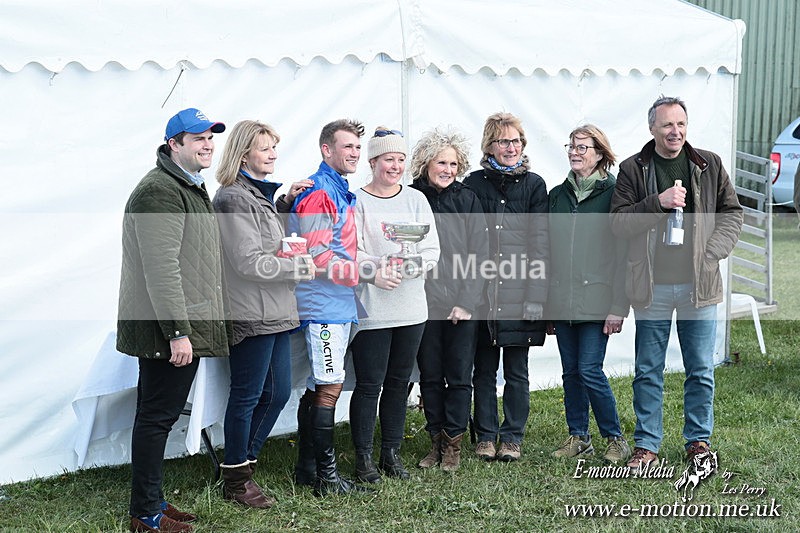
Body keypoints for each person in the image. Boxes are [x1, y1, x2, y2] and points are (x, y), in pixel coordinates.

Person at [610, 96, 743, 468]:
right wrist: (659, 202)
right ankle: (647, 445)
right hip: (650, 288)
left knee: (700, 368)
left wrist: (712, 252)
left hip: (697, 287)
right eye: (667, 124)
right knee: (647, 370)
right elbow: (618, 223)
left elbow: (732, 212)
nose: (675, 131)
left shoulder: (708, 164)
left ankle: (698, 441)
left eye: (681, 124)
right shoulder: (633, 169)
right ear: (652, 127)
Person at [117, 108, 229, 533]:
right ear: (173, 144)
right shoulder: (159, 191)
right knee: (156, 418)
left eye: (210, 137)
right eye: (197, 137)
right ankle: (145, 514)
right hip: (169, 330)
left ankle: (153, 503)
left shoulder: (188, 186)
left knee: (157, 416)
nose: (207, 144)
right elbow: (162, 269)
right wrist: (178, 333)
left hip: (183, 325)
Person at [212, 120, 314, 508]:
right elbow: (248, 262)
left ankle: (239, 465)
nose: (273, 154)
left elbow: (268, 244)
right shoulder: (233, 198)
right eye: (265, 148)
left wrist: (284, 205)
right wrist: (299, 267)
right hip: (251, 311)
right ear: (243, 154)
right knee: (247, 396)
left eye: (274, 147)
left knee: (278, 393)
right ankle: (237, 481)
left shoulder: (257, 196)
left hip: (275, 310)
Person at [349, 127, 440, 483]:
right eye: (389, 159)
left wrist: (407, 265)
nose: (396, 165)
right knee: (370, 384)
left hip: (412, 308)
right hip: (373, 307)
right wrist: (376, 268)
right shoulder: (357, 201)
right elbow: (349, 249)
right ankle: (363, 458)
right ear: (372, 162)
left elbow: (432, 250)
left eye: (401, 159)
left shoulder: (416, 200)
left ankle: (391, 453)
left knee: (399, 382)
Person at [288, 119, 373, 497]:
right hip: (323, 305)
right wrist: (368, 272)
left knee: (318, 385)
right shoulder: (320, 191)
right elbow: (317, 257)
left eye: (357, 147)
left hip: (338, 304)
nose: (355, 153)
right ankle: (327, 478)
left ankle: (308, 469)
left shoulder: (338, 189)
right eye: (347, 147)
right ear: (327, 150)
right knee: (329, 386)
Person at [464, 112, 549, 462]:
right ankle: (486, 435)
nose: (510, 147)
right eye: (503, 141)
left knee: (517, 370)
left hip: (519, 293)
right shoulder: (473, 184)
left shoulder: (534, 185)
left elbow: (541, 243)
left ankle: (512, 436)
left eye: (516, 141)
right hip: (483, 293)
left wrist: (537, 297)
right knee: (483, 370)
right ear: (490, 146)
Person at [547, 124, 631, 464]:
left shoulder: (615, 195)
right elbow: (549, 252)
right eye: (571, 146)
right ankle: (578, 437)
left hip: (598, 299)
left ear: (600, 153)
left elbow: (626, 255)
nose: (574, 152)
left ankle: (615, 438)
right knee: (570, 372)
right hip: (562, 300)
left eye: (582, 147)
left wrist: (618, 306)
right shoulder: (558, 195)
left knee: (589, 370)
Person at [409, 127, 488, 471]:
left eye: (454, 164)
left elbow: (480, 252)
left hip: (460, 303)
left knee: (458, 375)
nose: (448, 169)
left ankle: (453, 444)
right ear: (426, 163)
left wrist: (467, 301)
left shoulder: (467, 198)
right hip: (422, 302)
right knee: (429, 375)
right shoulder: (410, 197)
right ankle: (435, 441)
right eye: (442, 162)